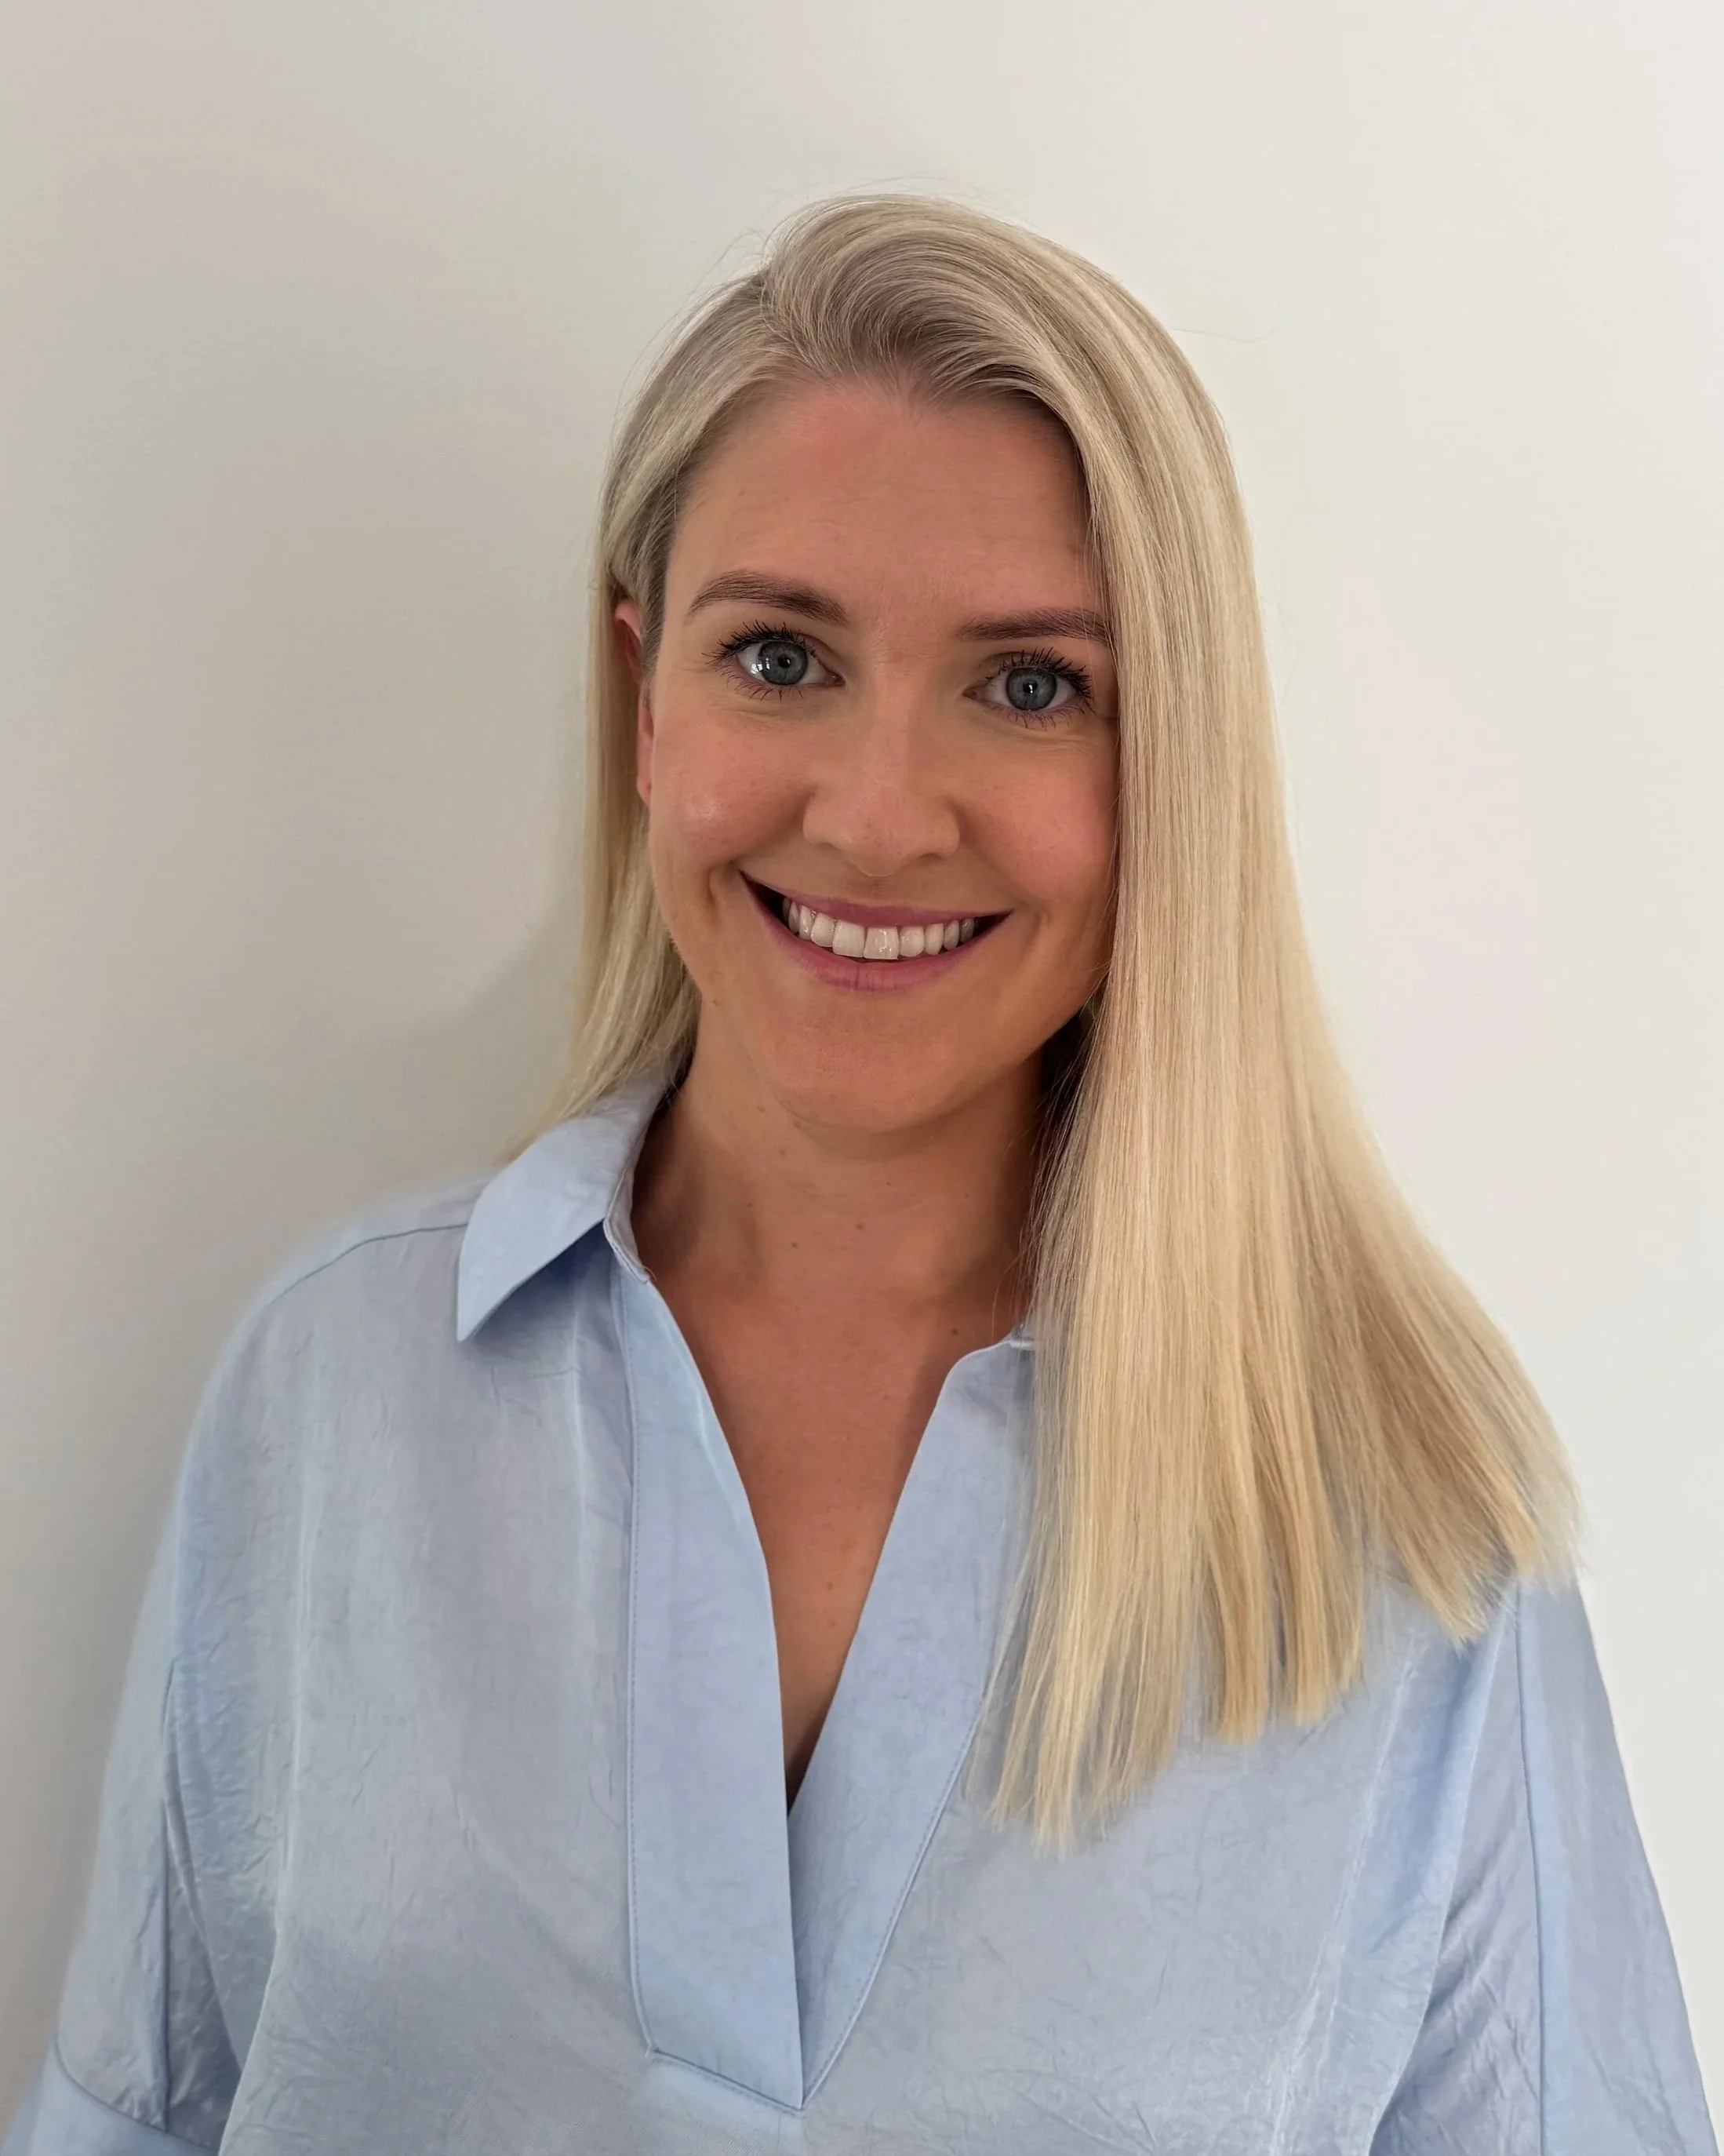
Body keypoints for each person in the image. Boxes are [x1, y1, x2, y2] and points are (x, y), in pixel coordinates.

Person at [3, 191, 1715, 2156]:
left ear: (1171, 769)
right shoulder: (332, 1394)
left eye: (1028, 685)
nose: (879, 814)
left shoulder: (1403, 1532)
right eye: (781, 656)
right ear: (644, 698)